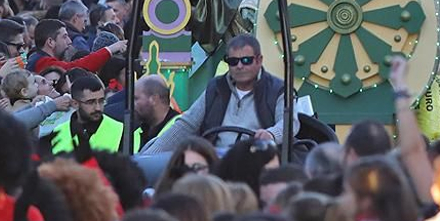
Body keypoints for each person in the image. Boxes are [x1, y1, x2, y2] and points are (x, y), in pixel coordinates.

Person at [140, 35, 285, 155]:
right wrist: (148, 157)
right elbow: (187, 124)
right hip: (216, 160)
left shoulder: (277, 89)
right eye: (233, 61)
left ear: (259, 60)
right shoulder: (215, 88)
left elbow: (289, 124)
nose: (239, 66)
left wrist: (271, 135)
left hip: (258, 157)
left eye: (246, 60)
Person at [47, 72, 123, 156]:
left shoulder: (121, 130)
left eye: (101, 101)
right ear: (75, 104)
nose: (98, 108)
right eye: (90, 102)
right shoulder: (58, 133)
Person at [24, 19, 125, 75]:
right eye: (64, 37)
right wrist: (110, 49)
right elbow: (73, 68)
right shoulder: (42, 62)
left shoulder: (37, 58)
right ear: (50, 42)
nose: (69, 41)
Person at [129, 74, 178, 150]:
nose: (132, 104)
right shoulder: (139, 130)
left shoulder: (179, 129)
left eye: (136, 99)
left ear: (154, 99)